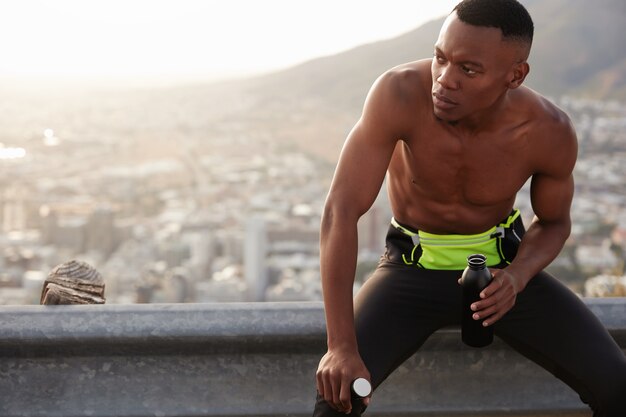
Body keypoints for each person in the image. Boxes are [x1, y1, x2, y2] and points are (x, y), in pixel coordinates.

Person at [312, 0, 626, 416]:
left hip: (502, 274)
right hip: (409, 271)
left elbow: (553, 223)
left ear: (515, 75)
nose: (444, 80)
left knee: (619, 388)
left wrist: (515, 278)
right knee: (337, 399)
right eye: (440, 58)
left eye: (469, 70)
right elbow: (341, 211)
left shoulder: (548, 130)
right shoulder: (399, 93)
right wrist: (340, 346)